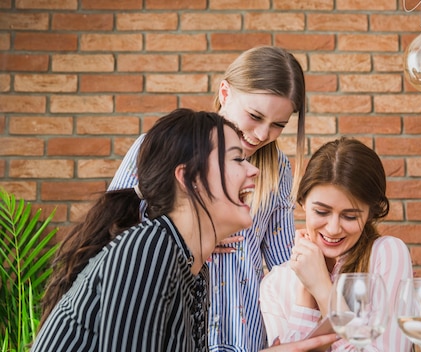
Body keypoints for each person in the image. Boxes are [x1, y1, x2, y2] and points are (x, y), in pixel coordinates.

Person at [32, 108, 337, 352]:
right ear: (190, 178)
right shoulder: (149, 250)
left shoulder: (190, 268)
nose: (253, 170)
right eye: (236, 159)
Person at [107, 46, 306, 351]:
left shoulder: (277, 168)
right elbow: (114, 230)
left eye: (279, 124)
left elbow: (282, 262)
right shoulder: (161, 146)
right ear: (225, 92)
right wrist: (187, 233)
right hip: (171, 325)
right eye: (255, 116)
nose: (264, 133)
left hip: (245, 334)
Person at [259, 138, 413, 351]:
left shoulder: (386, 254)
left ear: (370, 214)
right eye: (321, 212)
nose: (332, 229)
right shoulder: (276, 284)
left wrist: (322, 287)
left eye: (350, 216)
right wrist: (306, 292)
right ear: (302, 202)